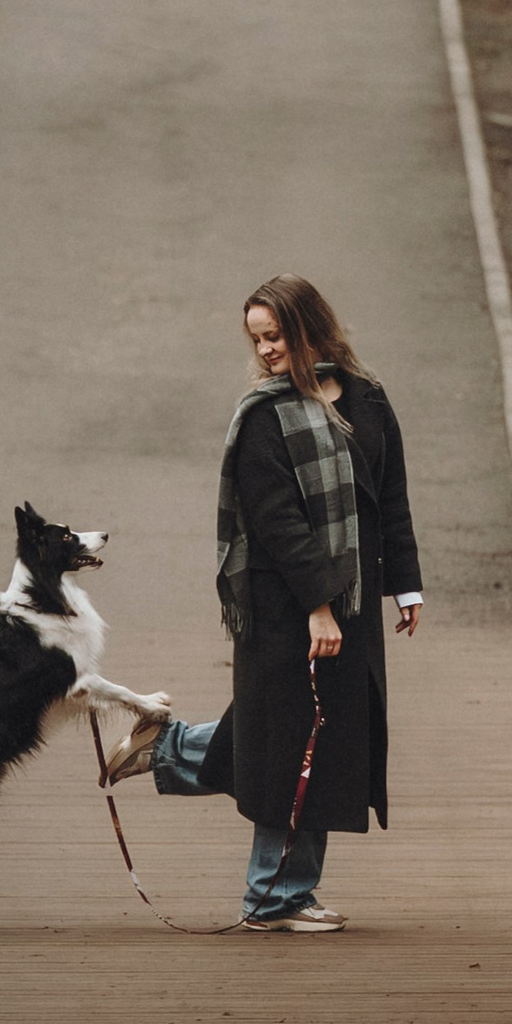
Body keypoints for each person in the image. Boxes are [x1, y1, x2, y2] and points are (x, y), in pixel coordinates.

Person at [104, 274, 423, 931]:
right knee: (294, 745)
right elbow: (278, 526)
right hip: (285, 607)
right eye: (257, 339)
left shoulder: (368, 398)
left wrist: (406, 583)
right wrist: (319, 606)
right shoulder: (264, 417)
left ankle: (170, 747)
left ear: (310, 330)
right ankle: (273, 899)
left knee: (314, 740)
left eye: (275, 336)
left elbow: (389, 495)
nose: (267, 351)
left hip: (354, 600)